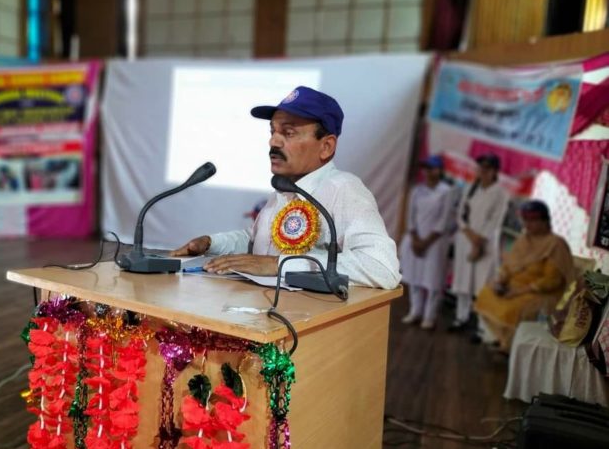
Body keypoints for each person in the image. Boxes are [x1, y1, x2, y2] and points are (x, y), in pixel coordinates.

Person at [170, 86, 401, 290]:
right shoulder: (285, 189)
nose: (273, 142)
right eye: (273, 132)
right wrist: (211, 243)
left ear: (326, 147)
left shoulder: (344, 189)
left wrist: (280, 265)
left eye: (288, 133)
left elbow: (382, 266)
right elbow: (257, 242)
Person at [475, 200, 574, 353]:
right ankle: (503, 340)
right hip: (514, 287)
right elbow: (509, 266)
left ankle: (512, 347)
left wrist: (519, 291)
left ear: (545, 221)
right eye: (525, 220)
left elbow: (552, 281)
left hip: (540, 293)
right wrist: (501, 280)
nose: (527, 224)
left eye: (532, 220)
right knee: (487, 293)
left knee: (514, 306)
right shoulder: (523, 240)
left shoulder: (555, 244)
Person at [448, 153, 510, 331]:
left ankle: (482, 327)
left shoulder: (501, 193)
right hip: (466, 240)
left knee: (483, 285)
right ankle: (461, 317)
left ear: (494, 171)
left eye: (487, 168)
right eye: (480, 167)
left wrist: (479, 241)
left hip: (486, 243)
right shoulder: (470, 188)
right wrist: (470, 235)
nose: (482, 171)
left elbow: (495, 221)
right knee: (463, 281)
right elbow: (460, 214)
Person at [399, 155, 455, 329]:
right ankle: (415, 311)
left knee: (433, 281)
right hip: (416, 239)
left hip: (435, 242)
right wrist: (415, 238)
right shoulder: (418, 190)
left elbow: (444, 220)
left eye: (432, 168)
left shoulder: (446, 191)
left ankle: (429, 316)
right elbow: (411, 216)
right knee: (414, 277)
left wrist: (426, 242)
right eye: (426, 168)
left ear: (440, 170)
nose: (428, 172)